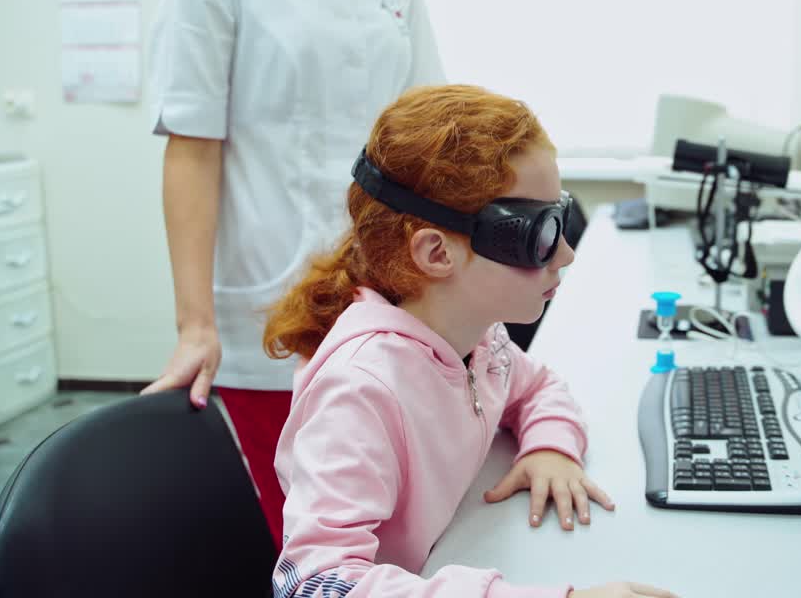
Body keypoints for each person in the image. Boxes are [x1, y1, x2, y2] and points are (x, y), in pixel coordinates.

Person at [265, 85, 677, 598]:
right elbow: (312, 583)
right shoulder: (360, 391)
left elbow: (537, 387)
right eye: (539, 234)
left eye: (562, 217)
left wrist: (550, 448)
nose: (566, 254)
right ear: (437, 253)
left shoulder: (476, 336)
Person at [142, 0, 444, 548]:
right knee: (314, 550)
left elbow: (425, 137)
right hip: (272, 309)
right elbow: (192, 148)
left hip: (387, 305)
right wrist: (195, 325)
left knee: (399, 538)